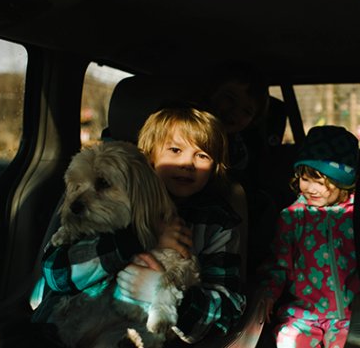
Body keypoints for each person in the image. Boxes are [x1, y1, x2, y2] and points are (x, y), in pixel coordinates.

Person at [31, 106, 245, 345]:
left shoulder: (218, 224)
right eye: (175, 150)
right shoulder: (105, 201)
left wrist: (166, 296)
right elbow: (56, 275)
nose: (187, 163)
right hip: (69, 328)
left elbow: (226, 312)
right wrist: (138, 241)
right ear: (149, 156)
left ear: (215, 167)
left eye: (202, 155)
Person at [259, 125, 360, 348]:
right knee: (288, 340)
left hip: (349, 315)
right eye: (305, 179)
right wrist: (268, 294)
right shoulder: (293, 217)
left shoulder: (356, 215)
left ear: (343, 182)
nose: (311, 188)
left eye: (322, 182)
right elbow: (279, 264)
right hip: (303, 314)